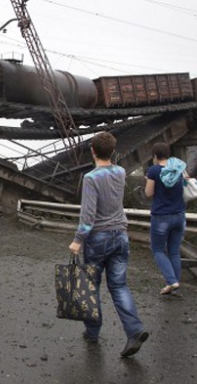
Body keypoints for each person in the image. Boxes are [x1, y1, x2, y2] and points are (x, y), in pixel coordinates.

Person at [68, 132, 149, 358]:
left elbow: (88, 216)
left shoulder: (91, 178)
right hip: (120, 236)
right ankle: (134, 330)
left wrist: (77, 240)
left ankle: (92, 332)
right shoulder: (120, 172)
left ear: (92, 151)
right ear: (113, 152)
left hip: (98, 239)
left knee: (90, 287)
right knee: (119, 286)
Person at [145, 142, 187, 295]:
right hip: (179, 215)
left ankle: (171, 281)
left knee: (157, 250)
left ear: (155, 156)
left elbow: (148, 193)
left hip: (161, 216)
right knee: (174, 252)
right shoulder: (178, 169)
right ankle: (174, 286)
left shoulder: (154, 170)